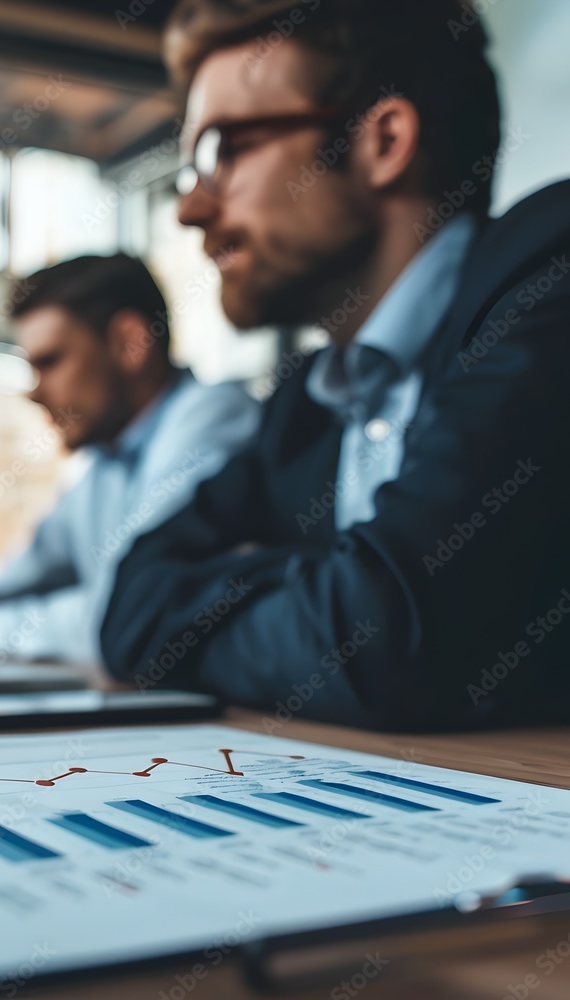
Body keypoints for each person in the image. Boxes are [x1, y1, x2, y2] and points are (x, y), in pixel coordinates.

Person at [100, 0, 570, 729]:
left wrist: (317, 597)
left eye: (224, 150)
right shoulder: (303, 408)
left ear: (382, 141)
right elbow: (130, 603)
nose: (190, 207)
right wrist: (329, 592)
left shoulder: (550, 275)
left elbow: (388, 642)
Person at [0, 253, 259, 661]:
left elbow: (128, 614)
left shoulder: (214, 415)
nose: (33, 391)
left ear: (130, 343)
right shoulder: (102, 465)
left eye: (50, 362)